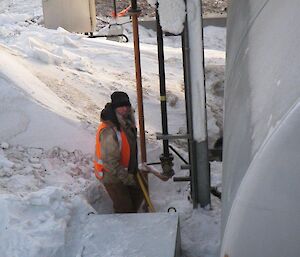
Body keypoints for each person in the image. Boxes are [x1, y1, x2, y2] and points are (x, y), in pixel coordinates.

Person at [94, 91, 144, 213]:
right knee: (124, 208)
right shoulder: (109, 130)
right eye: (121, 106)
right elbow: (109, 161)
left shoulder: (126, 124)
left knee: (139, 193)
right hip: (112, 175)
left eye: (126, 105)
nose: (125, 108)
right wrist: (126, 178)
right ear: (115, 108)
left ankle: (132, 223)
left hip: (127, 172)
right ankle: (123, 229)